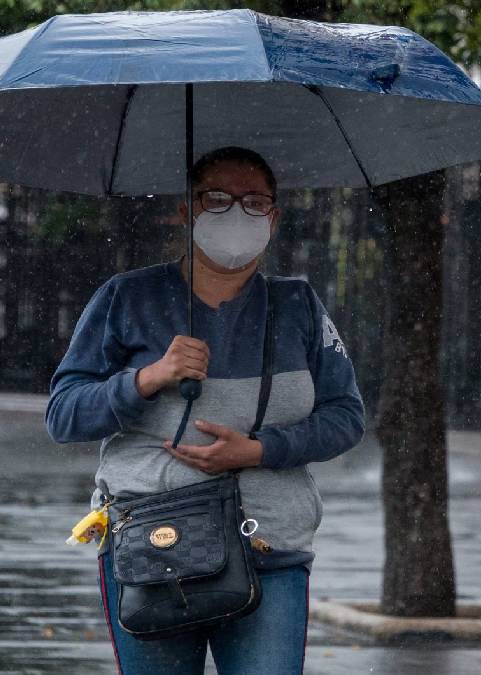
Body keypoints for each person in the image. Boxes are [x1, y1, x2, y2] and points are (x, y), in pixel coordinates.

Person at [45, 146, 365, 674]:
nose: (237, 213)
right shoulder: (126, 298)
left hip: (270, 550)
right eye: (217, 199)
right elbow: (64, 415)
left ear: (275, 217)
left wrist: (260, 450)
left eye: (255, 201)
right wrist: (148, 379)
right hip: (152, 549)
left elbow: (345, 417)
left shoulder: (298, 306)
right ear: (186, 210)